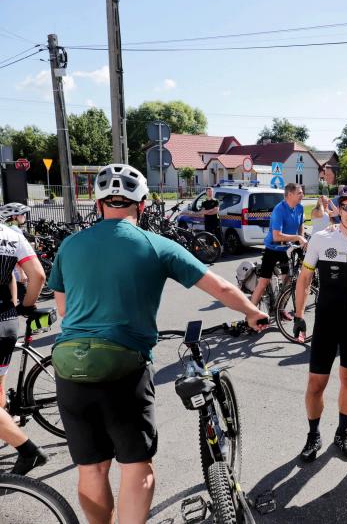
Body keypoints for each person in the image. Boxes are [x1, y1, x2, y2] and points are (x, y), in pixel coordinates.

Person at [48, 164, 269, 524]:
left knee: (92, 468)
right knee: (136, 465)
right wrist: (252, 312)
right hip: (123, 364)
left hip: (69, 365)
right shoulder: (155, 244)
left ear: (98, 203)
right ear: (143, 204)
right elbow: (219, 286)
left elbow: (62, 309)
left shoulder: (70, 245)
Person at [293, 184, 347, 462]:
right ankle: (313, 435)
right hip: (326, 321)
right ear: (339, 208)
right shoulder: (321, 239)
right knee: (316, 383)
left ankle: (342, 433)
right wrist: (298, 315)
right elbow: (305, 279)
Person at [0, 216, 47, 476]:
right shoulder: (12, 235)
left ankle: (28, 450)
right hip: (6, 323)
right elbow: (37, 275)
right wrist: (24, 306)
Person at [249, 183, 306, 308]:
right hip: (273, 248)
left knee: (288, 281)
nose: (302, 195)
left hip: (287, 249)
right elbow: (277, 236)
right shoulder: (279, 210)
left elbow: (300, 225)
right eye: (299, 193)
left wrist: (301, 238)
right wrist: (298, 238)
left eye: (302, 193)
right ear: (290, 194)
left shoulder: (300, 208)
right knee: (264, 282)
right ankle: (250, 312)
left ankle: (280, 309)